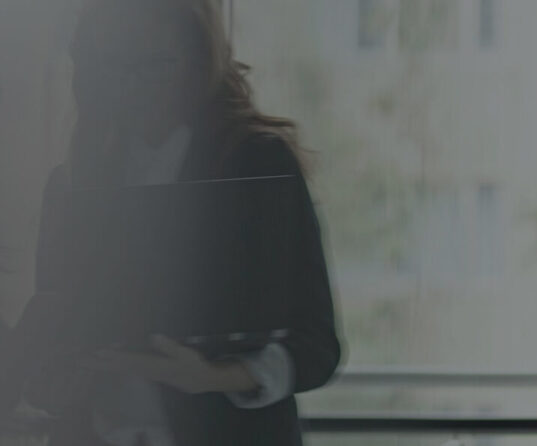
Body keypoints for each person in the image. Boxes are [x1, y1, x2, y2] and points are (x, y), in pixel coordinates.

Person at [0, 0, 341, 444]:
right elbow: (58, 359)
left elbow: (316, 346)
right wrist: (55, 379)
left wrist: (212, 376)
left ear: (197, 60)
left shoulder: (256, 165)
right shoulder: (72, 186)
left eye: (155, 64)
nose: (136, 85)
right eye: (118, 65)